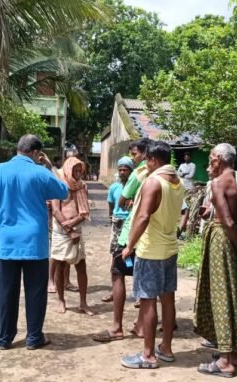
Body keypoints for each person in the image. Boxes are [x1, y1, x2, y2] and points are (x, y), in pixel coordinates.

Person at [0, 135, 68, 350]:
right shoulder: (40, 172)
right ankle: (34, 337)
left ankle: (3, 339)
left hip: (7, 240)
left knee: (5, 292)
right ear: (37, 153)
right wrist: (50, 167)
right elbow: (63, 191)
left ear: (18, 149)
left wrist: (1, 214)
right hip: (33, 241)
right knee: (36, 291)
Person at [120, 140, 185, 370]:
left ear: (154, 160)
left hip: (151, 250)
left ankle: (147, 355)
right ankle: (166, 348)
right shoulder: (177, 182)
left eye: (146, 160)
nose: (144, 164)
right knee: (167, 299)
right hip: (169, 248)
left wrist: (129, 245)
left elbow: (143, 216)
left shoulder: (153, 182)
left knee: (148, 300)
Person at [194, 143, 237, 377]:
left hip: (222, 240)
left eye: (211, 158)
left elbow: (228, 221)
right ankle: (232, 354)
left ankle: (225, 361)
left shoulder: (217, 183)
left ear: (220, 160)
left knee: (220, 297)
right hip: (229, 241)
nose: (209, 162)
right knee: (230, 295)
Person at [50, 157, 94, 315]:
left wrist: (74, 222)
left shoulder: (82, 186)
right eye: (75, 170)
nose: (78, 173)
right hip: (62, 232)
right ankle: (61, 300)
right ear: (68, 170)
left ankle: (83, 302)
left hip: (77, 230)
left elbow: (84, 211)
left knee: (81, 266)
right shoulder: (58, 186)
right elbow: (56, 210)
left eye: (80, 170)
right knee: (60, 266)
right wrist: (69, 230)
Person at [117, 138, 151, 311]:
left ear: (144, 154)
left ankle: (117, 323)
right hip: (153, 234)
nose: (133, 158)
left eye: (134, 154)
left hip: (133, 229)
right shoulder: (169, 176)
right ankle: (142, 319)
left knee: (117, 272)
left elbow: (121, 201)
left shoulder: (138, 174)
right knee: (147, 274)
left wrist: (132, 203)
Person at [100, 156, 135, 304]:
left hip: (131, 224)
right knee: (115, 258)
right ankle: (115, 291)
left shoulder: (136, 187)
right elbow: (110, 205)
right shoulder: (114, 187)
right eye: (120, 169)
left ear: (131, 171)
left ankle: (139, 294)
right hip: (117, 224)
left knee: (134, 257)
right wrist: (112, 219)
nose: (122, 172)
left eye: (125, 170)